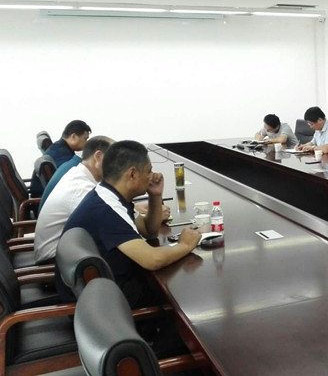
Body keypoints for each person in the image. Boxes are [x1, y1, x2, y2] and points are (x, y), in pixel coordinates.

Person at [55, 140, 200, 307]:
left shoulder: (108, 194)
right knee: (183, 292)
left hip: (103, 290)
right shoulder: (106, 210)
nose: (152, 175)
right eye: (148, 170)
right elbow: (152, 259)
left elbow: (149, 231)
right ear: (132, 174)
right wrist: (185, 245)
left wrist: (155, 196)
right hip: (106, 304)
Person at [34, 136, 114, 264]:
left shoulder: (77, 172)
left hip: (66, 249)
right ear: (98, 157)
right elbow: (113, 225)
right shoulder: (81, 189)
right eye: (116, 159)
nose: (119, 166)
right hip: (58, 261)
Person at [30, 119, 91, 198]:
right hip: (42, 199)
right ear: (73, 136)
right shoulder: (64, 156)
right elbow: (74, 179)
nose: (86, 143)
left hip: (41, 196)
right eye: (85, 139)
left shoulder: (58, 147)